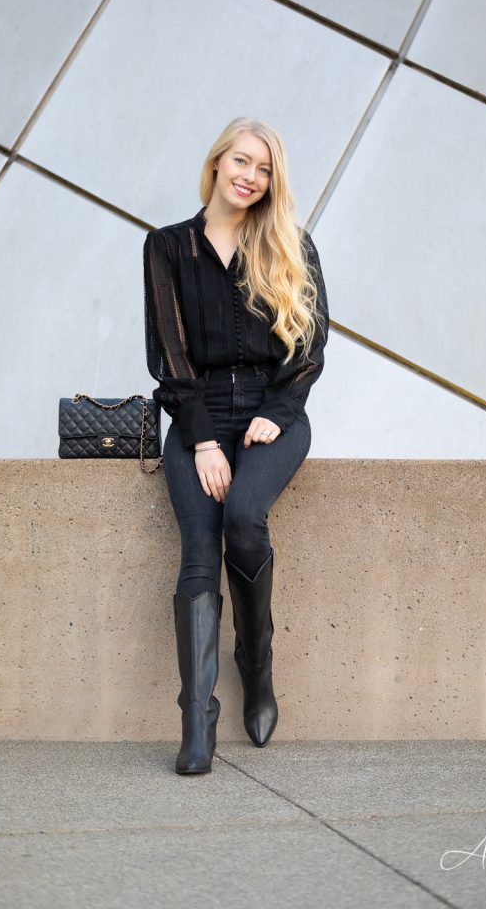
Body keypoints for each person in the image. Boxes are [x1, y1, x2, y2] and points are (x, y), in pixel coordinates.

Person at [143, 117, 329, 775]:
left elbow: (310, 349)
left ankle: (257, 667)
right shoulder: (167, 248)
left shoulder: (290, 245)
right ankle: (198, 722)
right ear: (217, 162)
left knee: (245, 519)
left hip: (271, 415)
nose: (251, 177)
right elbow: (168, 356)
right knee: (199, 547)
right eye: (242, 162)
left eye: (265, 169)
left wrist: (277, 413)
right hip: (198, 416)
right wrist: (200, 441)